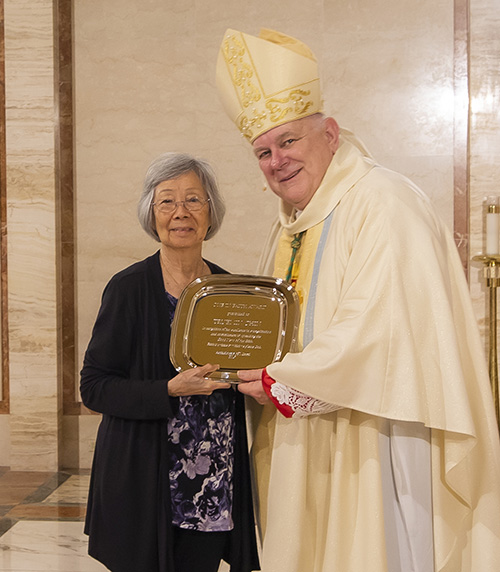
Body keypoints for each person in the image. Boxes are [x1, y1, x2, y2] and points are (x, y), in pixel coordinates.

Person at [215, 28, 500, 572]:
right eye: (263, 152)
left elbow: (381, 329)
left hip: (376, 439)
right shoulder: (289, 226)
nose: (277, 161)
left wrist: (281, 378)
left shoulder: (385, 203)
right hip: (303, 432)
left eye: (289, 142)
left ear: (329, 132)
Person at [80, 152, 260, 572]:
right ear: (151, 213)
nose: (181, 213)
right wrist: (167, 389)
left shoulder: (230, 291)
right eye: (167, 201)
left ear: (210, 211)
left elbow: (243, 370)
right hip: (143, 479)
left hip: (212, 480)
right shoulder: (127, 289)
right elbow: (94, 385)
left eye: (194, 200)